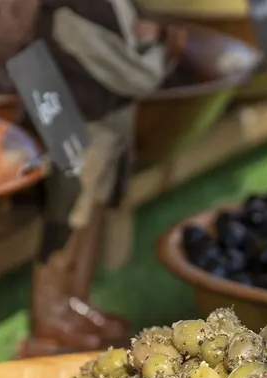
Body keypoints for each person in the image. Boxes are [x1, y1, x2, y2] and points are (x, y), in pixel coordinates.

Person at [22, 0, 184, 357]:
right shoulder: (73, 10)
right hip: (80, 127)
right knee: (68, 219)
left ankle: (77, 302)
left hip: (109, 122)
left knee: (94, 211)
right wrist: (162, 46)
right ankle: (49, 316)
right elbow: (134, 73)